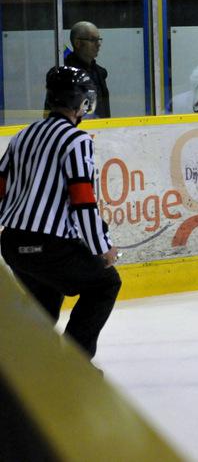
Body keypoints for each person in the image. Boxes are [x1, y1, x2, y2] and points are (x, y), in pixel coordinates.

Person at [0, 66, 121, 358]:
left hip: (13, 244)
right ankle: (73, 367)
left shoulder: (22, 136)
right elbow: (82, 200)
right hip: (49, 247)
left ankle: (31, 369)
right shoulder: (76, 141)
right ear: (82, 101)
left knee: (44, 305)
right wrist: (101, 246)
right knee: (105, 284)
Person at [65, 21, 110, 118]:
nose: (98, 44)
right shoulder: (63, 75)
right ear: (77, 43)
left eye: (99, 40)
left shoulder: (100, 73)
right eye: (93, 40)